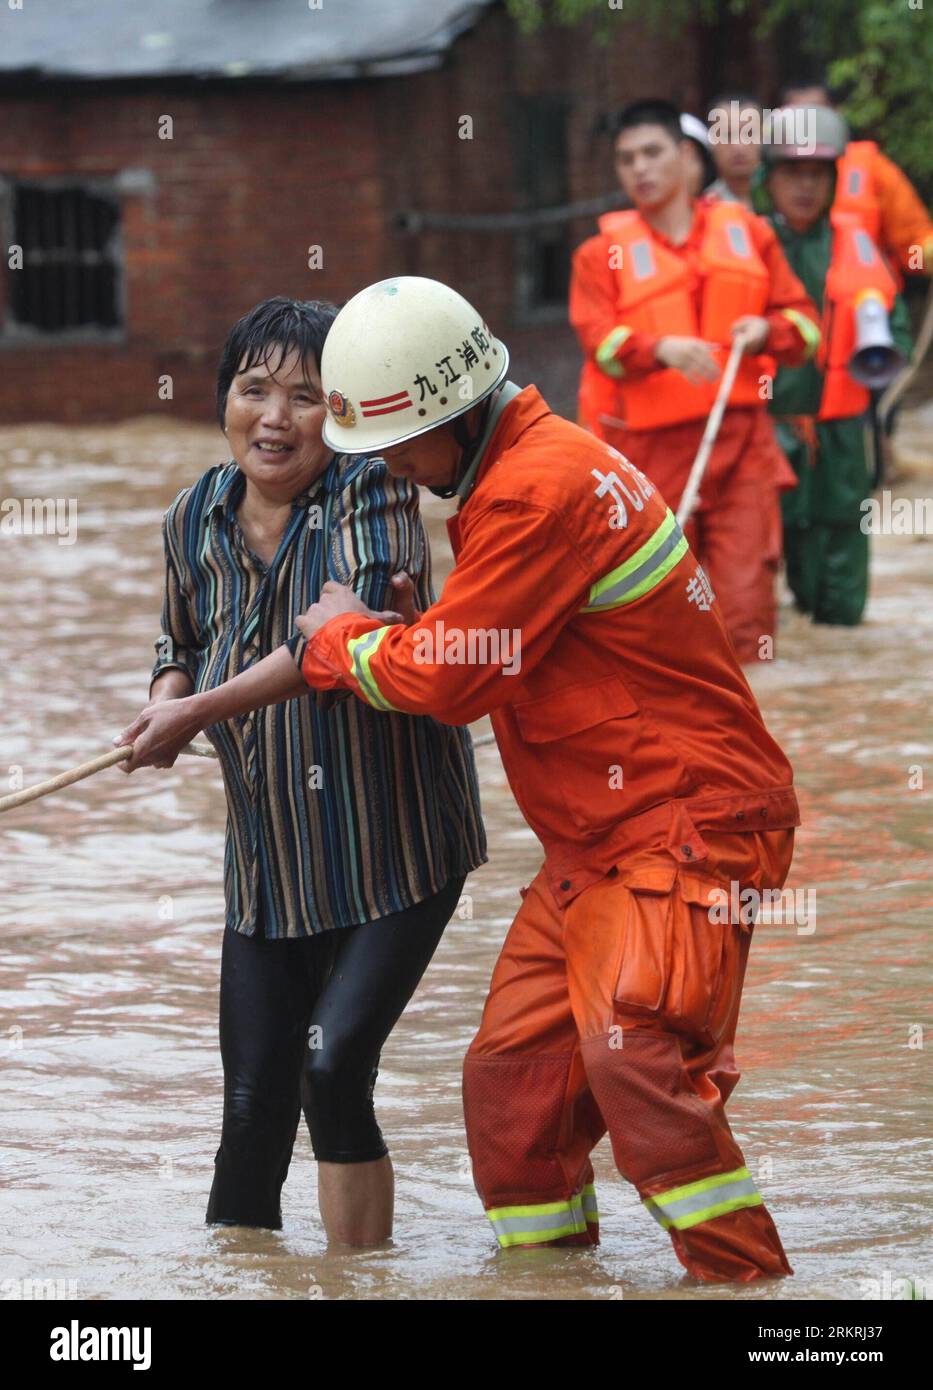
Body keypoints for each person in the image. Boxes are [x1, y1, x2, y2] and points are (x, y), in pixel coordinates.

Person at [118, 274, 802, 1284]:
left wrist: (340, 635)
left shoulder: (532, 489)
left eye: (384, 440)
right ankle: (550, 1279)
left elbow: (443, 680)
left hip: (682, 827)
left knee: (634, 1052)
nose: (385, 464)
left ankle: (756, 1290)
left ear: (445, 416)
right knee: (511, 1082)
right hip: (595, 843)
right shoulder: (503, 477)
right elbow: (487, 648)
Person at [118, 296, 486, 1243]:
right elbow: (182, 639)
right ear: (223, 401)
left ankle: (354, 1284)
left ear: (348, 416)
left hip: (392, 848)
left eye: (306, 397)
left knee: (330, 1068)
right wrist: (168, 694)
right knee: (249, 1107)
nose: (273, 418)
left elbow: (331, 643)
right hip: (271, 858)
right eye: (252, 391)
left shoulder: (373, 493)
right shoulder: (191, 516)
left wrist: (194, 711)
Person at [569, 98, 821, 663]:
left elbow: (806, 330)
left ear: (687, 158)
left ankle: (749, 732)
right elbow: (599, 342)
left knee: (745, 603)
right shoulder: (598, 254)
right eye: (626, 158)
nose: (640, 168)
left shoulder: (750, 234)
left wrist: (768, 329)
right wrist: (659, 347)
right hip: (646, 459)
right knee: (661, 616)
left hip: (741, 445)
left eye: (652, 153)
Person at [758, 109, 912, 625]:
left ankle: (842, 647)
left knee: (846, 530)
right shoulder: (748, 242)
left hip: (844, 426)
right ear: (770, 178)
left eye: (817, 175)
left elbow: (899, 325)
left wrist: (886, 358)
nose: (805, 186)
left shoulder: (856, 239)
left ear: (833, 180)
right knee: (778, 546)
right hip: (769, 426)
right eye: (792, 173)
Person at [779, 78, 933, 279]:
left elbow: (914, 246)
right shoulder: (766, 176)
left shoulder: (869, 166)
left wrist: (925, 257)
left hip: (866, 300)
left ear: (837, 114)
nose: (811, 125)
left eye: (819, 114)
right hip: (787, 296)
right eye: (799, 117)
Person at [705, 91, 764, 207]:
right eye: (727, 135)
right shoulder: (704, 207)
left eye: (749, 134)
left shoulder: (784, 203)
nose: (739, 146)